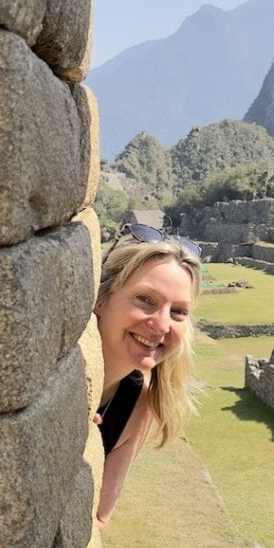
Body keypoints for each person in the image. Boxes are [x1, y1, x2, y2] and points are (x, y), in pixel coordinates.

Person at [92, 223, 203, 528]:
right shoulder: (46, 377)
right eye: (145, 300)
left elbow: (99, 517)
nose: (161, 324)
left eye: (178, 312)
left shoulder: (138, 406)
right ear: (101, 298)